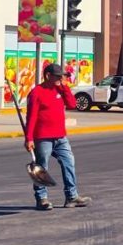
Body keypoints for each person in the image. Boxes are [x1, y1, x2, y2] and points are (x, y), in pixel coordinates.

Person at [25, 63, 91, 210]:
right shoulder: (36, 92)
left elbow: (72, 104)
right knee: (41, 168)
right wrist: (29, 138)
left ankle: (71, 197)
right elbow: (31, 117)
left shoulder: (60, 89)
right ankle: (42, 199)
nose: (61, 79)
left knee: (69, 163)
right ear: (48, 76)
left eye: (62, 76)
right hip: (43, 138)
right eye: (58, 76)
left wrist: (64, 87)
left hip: (61, 137)